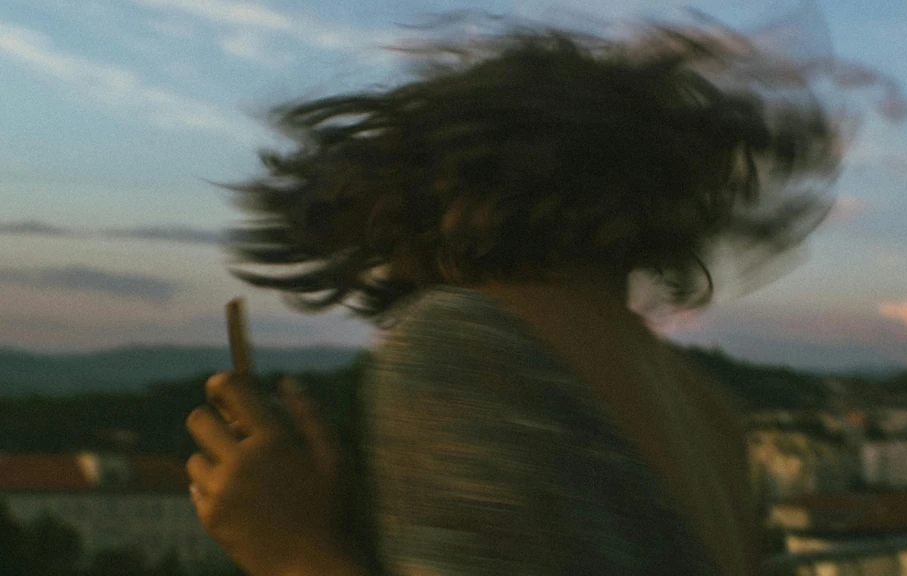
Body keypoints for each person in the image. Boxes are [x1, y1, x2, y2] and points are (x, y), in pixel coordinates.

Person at [185, 15, 846, 576]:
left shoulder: (461, 340)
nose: (385, 265)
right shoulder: (704, 407)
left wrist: (288, 547)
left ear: (451, 191)